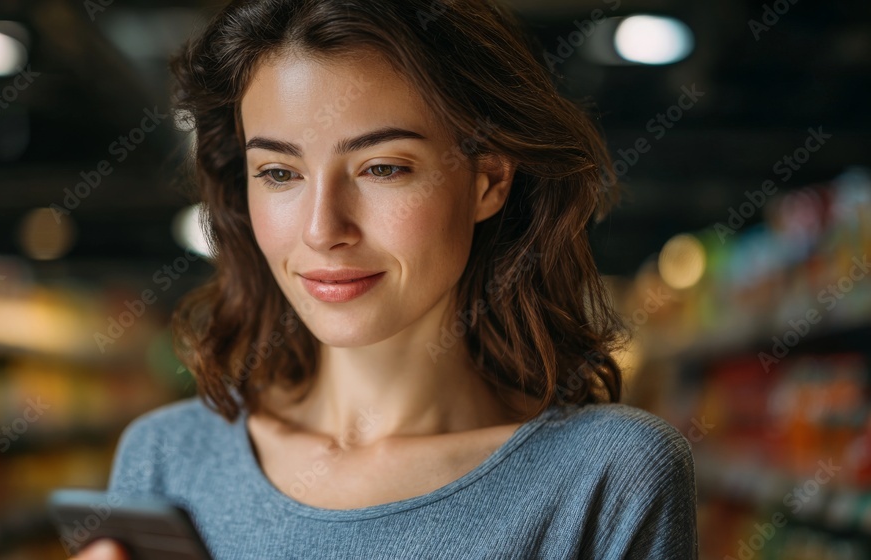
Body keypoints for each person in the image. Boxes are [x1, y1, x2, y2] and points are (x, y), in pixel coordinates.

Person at [71, 0, 698, 558]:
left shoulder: (608, 476)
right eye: (280, 173)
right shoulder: (168, 457)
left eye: (383, 167)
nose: (322, 229)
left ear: (488, 180)